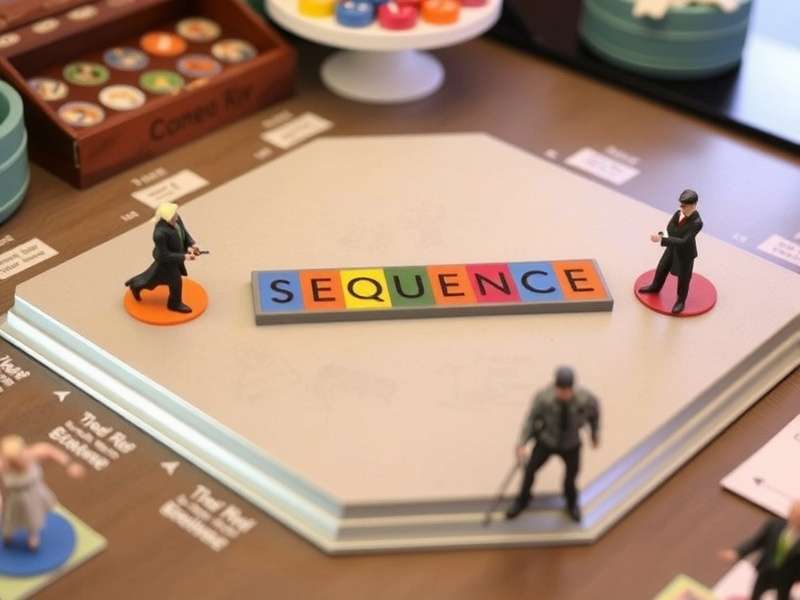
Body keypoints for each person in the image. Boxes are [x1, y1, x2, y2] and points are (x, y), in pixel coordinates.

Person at [505, 366, 600, 523]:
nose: (563, 394)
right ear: (555, 387)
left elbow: (594, 415)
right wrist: (522, 443)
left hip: (571, 444)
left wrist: (594, 434)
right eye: (560, 390)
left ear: (572, 388)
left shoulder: (585, 399)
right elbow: (531, 420)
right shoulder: (543, 398)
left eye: (567, 390)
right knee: (529, 470)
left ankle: (571, 503)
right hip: (547, 441)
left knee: (571, 478)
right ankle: (522, 499)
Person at [0, 435, 85, 551]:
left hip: (35, 494)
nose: (19, 460)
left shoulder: (30, 455)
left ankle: (33, 536)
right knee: (11, 518)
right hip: (15, 498)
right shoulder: (3, 465)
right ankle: (8, 534)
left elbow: (49, 450)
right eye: (13, 459)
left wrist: (70, 464)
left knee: (33, 516)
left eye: (20, 455)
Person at [124, 202, 202, 313]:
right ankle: (174, 304)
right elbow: (163, 255)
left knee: (152, 277)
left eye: (175, 213)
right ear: (166, 218)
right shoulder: (159, 234)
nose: (176, 216)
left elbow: (184, 233)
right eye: (173, 215)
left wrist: (191, 245)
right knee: (175, 282)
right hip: (166, 261)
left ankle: (136, 285)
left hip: (175, 258)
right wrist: (185, 257)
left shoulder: (177, 219)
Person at [638, 189, 703, 314]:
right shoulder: (677, 214)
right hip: (672, 247)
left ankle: (681, 300)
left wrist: (662, 239)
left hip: (686, 253)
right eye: (681, 205)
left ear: (694, 205)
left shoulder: (697, 222)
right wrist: (661, 234)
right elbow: (670, 229)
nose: (682, 208)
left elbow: (684, 241)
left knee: (684, 278)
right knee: (662, 267)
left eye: (685, 206)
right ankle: (655, 286)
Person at [719, 500, 800, 600]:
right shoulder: (775, 525)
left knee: (782, 596)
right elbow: (756, 542)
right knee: (756, 593)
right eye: (794, 514)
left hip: (787, 578)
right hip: (765, 571)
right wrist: (738, 552)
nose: (796, 518)